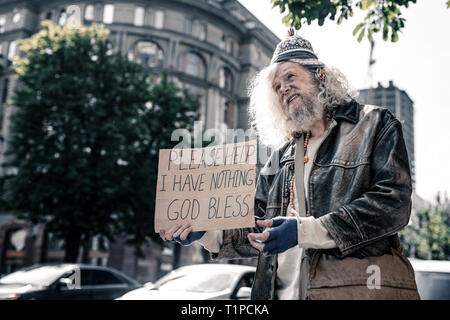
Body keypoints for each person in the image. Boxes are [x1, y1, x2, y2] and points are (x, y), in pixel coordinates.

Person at [160, 31, 420, 300]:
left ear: (320, 75)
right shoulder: (281, 156)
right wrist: (206, 232)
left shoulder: (375, 124)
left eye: (290, 77)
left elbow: (393, 206)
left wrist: (303, 232)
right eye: (277, 86)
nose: (283, 88)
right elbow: (255, 226)